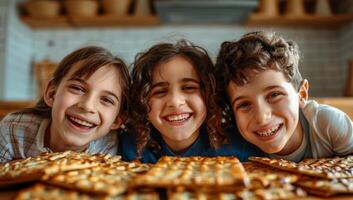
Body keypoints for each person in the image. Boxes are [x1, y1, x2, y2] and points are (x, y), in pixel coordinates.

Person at [215, 31, 353, 162]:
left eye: (274, 95)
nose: (262, 118)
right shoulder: (236, 146)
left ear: (302, 94)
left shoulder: (328, 124)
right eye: (244, 104)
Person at [120, 40, 263, 163]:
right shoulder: (129, 148)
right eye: (160, 91)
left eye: (189, 88)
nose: (175, 102)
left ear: (211, 95)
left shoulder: (241, 150)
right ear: (141, 100)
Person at [0, 46, 130, 163]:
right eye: (77, 88)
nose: (88, 106)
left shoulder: (109, 145)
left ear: (117, 119)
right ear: (52, 94)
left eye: (107, 100)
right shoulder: (12, 130)